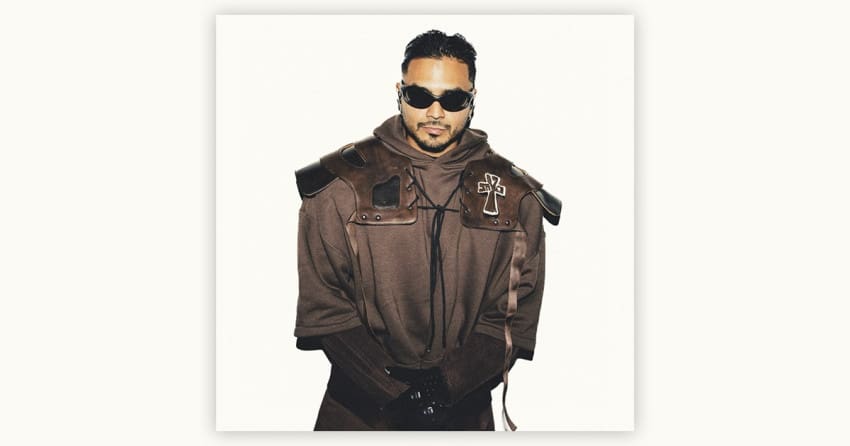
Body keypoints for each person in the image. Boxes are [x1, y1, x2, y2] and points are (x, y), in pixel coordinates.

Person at [293, 30, 561, 431]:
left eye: (452, 100)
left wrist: (448, 386)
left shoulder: (514, 196)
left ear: (472, 100)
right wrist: (389, 390)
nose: (435, 113)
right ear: (399, 92)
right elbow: (326, 307)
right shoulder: (340, 185)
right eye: (419, 96)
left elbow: (513, 314)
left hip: (464, 412)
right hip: (357, 414)